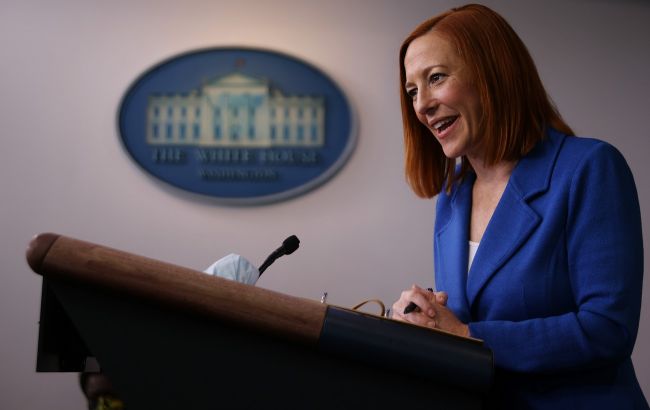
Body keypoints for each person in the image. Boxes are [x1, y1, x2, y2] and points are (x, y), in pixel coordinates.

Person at [390, 4, 647, 408]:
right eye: (412, 92)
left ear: (492, 73)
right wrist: (423, 320)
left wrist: (466, 336)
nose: (421, 105)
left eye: (436, 78)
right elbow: (468, 318)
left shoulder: (590, 167)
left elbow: (607, 329)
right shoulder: (453, 196)